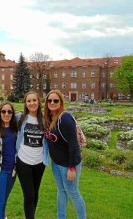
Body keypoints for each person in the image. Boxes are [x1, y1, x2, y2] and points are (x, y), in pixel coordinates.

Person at [0, 91, 49, 219]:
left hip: (35, 163)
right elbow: (2, 116)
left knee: (34, 193)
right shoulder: (21, 117)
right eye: (29, 101)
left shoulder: (44, 120)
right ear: (25, 104)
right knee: (27, 195)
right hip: (20, 163)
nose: (32, 103)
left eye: (34, 100)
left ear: (39, 102)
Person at [44, 90, 86, 219]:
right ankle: (60, 216)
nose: (52, 103)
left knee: (73, 192)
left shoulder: (65, 118)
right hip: (56, 163)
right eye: (49, 100)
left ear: (61, 102)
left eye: (55, 100)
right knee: (61, 191)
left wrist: (72, 168)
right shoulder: (49, 117)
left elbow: (73, 145)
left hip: (68, 164)